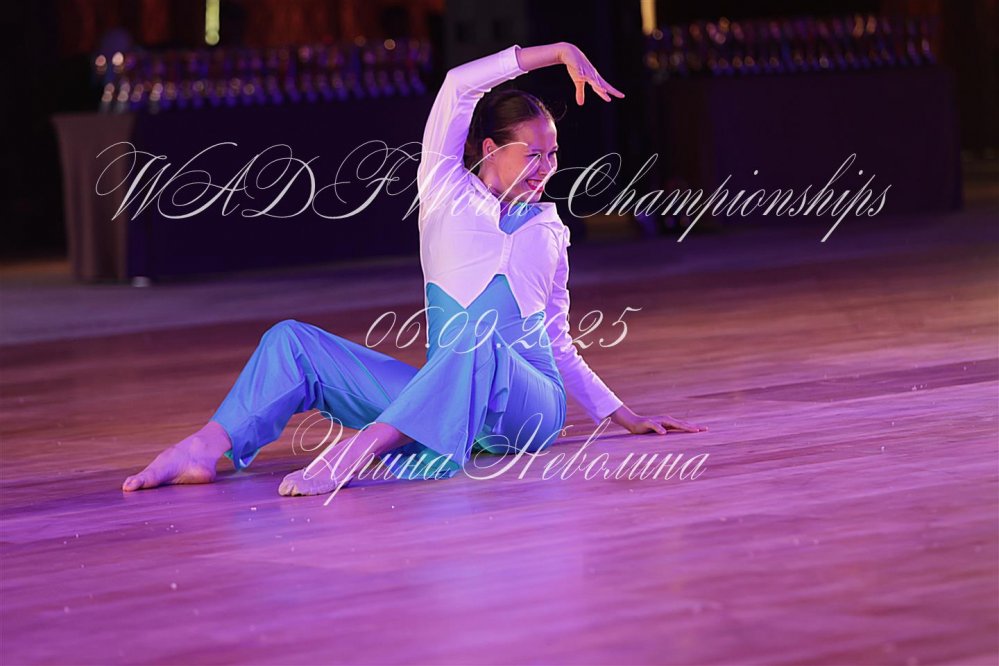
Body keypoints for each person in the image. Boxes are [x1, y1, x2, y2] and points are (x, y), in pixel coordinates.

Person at [121, 42, 706, 497]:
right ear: (489, 149)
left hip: (529, 410)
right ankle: (204, 448)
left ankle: (360, 450)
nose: (546, 168)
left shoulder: (550, 229)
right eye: (533, 154)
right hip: (446, 397)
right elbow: (457, 85)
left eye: (553, 155)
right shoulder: (445, 191)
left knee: (477, 340)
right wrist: (557, 53)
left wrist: (623, 415)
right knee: (291, 342)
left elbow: (556, 341)